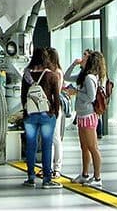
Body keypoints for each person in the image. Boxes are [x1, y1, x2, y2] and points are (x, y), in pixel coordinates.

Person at [20, 47, 62, 189]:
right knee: (46, 147)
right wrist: (54, 113)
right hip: (47, 115)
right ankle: (47, 180)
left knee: (30, 147)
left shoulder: (26, 75)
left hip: (30, 115)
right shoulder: (51, 76)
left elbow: (23, 97)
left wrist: (26, 112)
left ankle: (31, 178)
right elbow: (56, 98)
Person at [65, 50, 106, 186]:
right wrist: (73, 64)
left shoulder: (89, 78)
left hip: (88, 115)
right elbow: (66, 76)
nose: (82, 58)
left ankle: (97, 178)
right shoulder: (83, 76)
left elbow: (91, 97)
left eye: (85, 57)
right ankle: (84, 174)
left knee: (93, 147)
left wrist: (76, 92)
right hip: (82, 115)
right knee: (84, 146)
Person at [45, 48, 66, 179]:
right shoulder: (50, 72)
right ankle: (49, 167)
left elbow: (55, 92)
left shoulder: (57, 73)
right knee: (50, 138)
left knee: (55, 138)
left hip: (54, 107)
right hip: (49, 108)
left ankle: (57, 167)